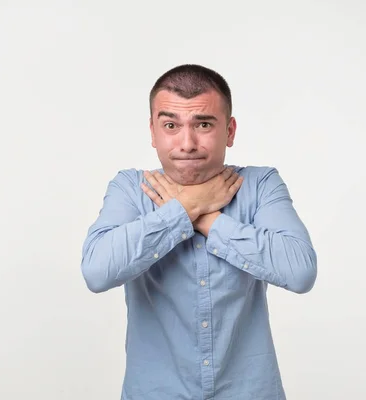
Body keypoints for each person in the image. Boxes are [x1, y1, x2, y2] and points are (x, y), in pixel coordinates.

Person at [81, 64, 317, 399]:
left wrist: (205, 217)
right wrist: (186, 209)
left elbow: (300, 271)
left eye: (203, 124)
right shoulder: (131, 189)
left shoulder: (261, 185)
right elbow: (96, 271)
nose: (187, 143)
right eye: (170, 125)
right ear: (153, 131)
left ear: (230, 130)